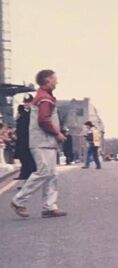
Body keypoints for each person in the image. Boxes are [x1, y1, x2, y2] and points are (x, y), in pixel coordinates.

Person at [11, 69, 67, 218]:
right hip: (42, 141)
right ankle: (19, 200)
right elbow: (44, 120)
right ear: (48, 81)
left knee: (52, 174)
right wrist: (58, 133)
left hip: (46, 142)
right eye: (55, 79)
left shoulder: (44, 96)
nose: (57, 82)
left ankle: (49, 206)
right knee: (44, 172)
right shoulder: (44, 98)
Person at [14, 94, 36, 181]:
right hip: (22, 139)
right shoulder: (21, 112)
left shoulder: (34, 112)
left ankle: (29, 177)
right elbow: (18, 123)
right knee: (22, 157)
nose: (27, 104)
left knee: (30, 159)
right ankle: (24, 175)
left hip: (30, 138)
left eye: (29, 102)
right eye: (25, 102)